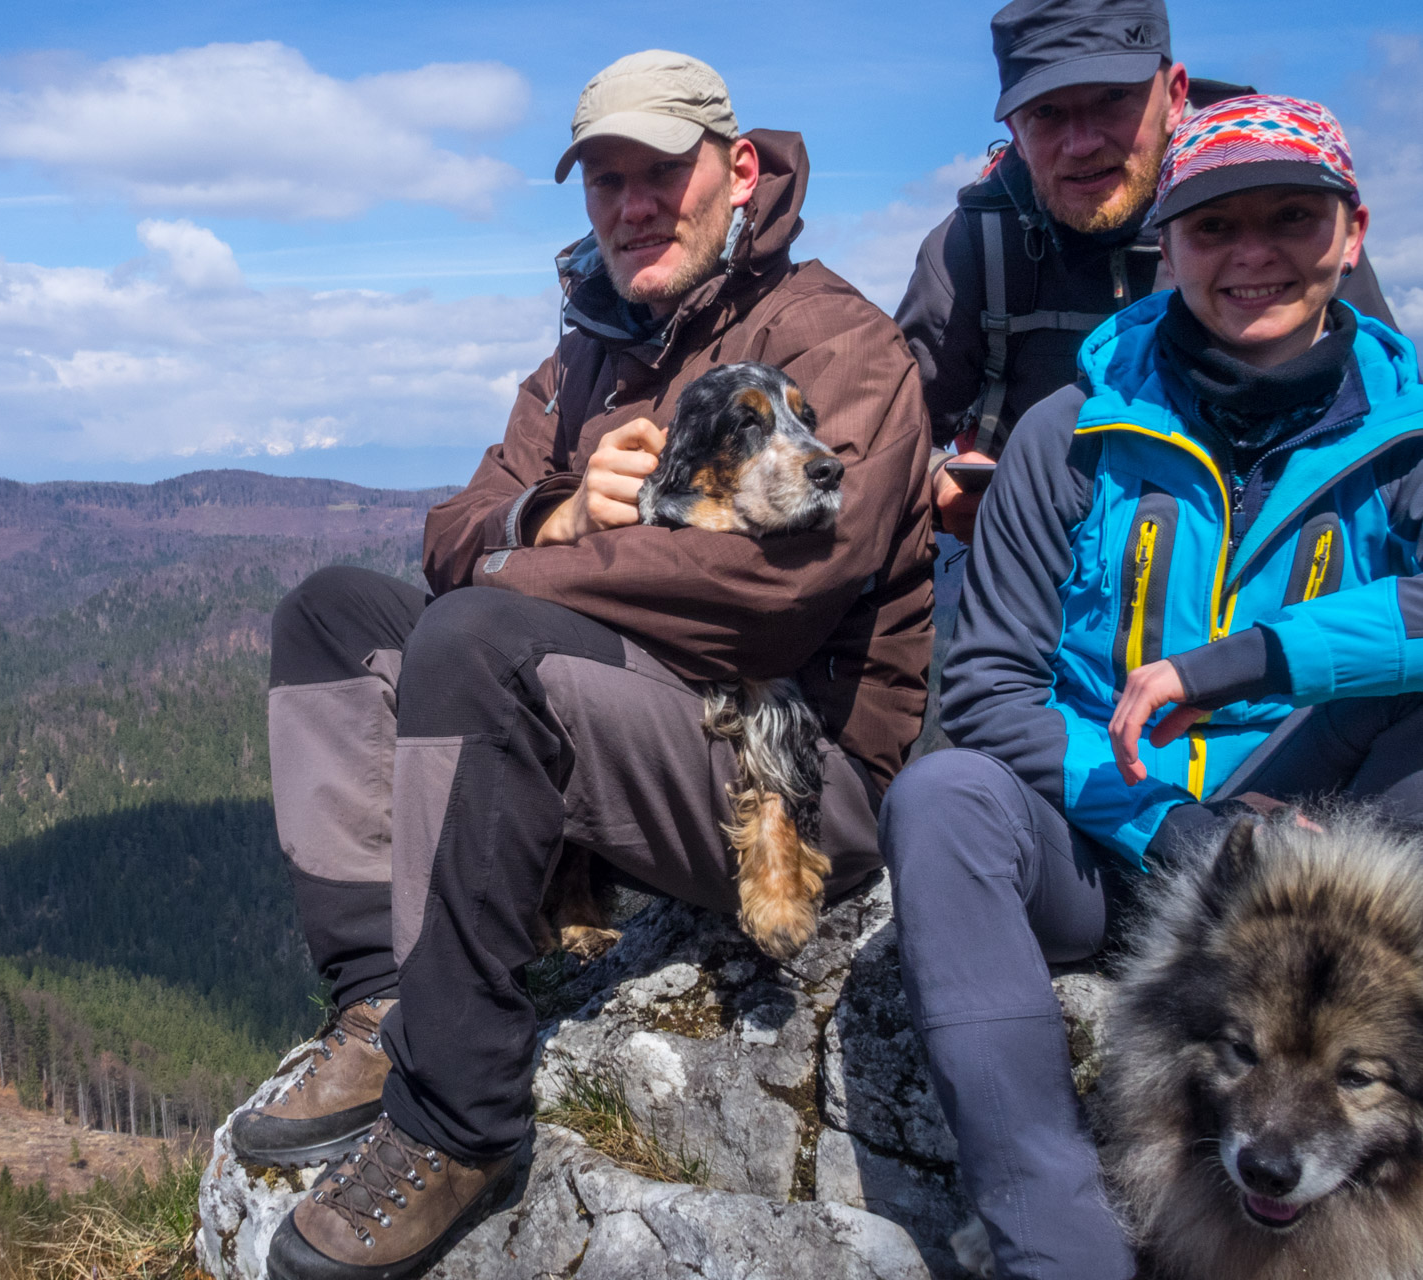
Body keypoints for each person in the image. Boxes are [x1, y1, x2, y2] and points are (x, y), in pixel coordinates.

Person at [232, 50, 935, 1280]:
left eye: (662, 172)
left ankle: (459, 1116)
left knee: (473, 637)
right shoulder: (582, 359)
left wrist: (519, 576)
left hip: (791, 770)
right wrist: (546, 518)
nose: (631, 205)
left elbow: (777, 597)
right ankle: (383, 996)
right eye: (606, 181)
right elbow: (456, 527)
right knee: (335, 617)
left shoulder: (839, 343)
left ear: (740, 170)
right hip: (629, 718)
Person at [879, 96, 1423, 1279]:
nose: (1252, 256)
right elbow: (986, 689)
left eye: (1291, 218)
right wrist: (1169, 824)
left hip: (1323, 851)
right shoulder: (1067, 435)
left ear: (1352, 230)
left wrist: (1258, 657)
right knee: (943, 800)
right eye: (1214, 228)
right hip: (1107, 842)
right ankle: (1056, 1241)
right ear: (1165, 245)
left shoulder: (1410, 438)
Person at [899, 0, 1397, 543]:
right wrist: (937, 479)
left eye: (1114, 98)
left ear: (1175, 96)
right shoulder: (976, 244)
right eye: (1047, 113)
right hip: (1041, 579)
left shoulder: (1291, 208)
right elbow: (893, 431)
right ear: (1015, 133)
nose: (1082, 143)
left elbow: (1389, 409)